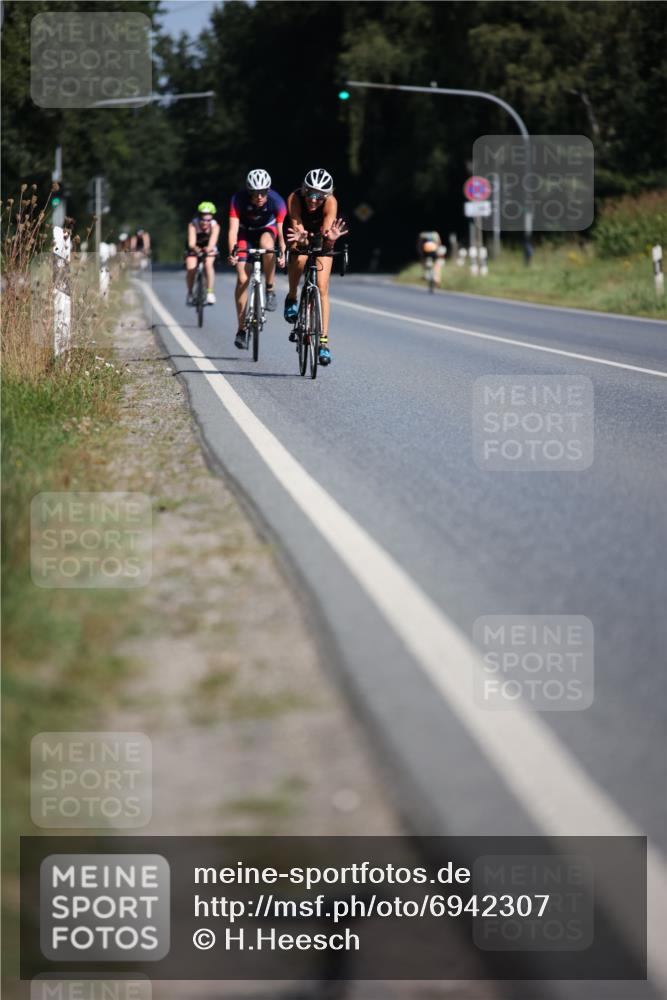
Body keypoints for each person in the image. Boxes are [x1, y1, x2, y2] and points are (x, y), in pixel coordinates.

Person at [283, 168, 348, 366]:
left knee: (322, 286)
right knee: (300, 259)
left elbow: (326, 237)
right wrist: (302, 241)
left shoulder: (331, 202)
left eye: (319, 196)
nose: (313, 200)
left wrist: (331, 240)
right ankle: (292, 296)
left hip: (320, 236)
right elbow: (298, 227)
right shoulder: (295, 198)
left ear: (327, 196)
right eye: (310, 193)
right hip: (298, 233)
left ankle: (324, 343)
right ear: (304, 189)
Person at [227, 169, 287, 349]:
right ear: (248, 192)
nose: (260, 197)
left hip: (267, 230)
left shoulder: (277, 201)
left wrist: (282, 253)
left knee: (267, 244)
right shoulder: (238, 200)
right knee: (242, 279)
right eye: (255, 193)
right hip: (245, 233)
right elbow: (233, 230)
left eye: (263, 192)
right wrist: (232, 253)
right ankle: (241, 330)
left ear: (268, 190)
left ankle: (270, 288)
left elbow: (281, 233)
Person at [185, 202, 220, 306]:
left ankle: (210, 292)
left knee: (208, 264)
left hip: (209, 247)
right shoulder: (193, 225)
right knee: (191, 268)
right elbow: (191, 243)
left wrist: (207, 250)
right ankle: (190, 293)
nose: (205, 222)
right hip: (194, 247)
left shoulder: (215, 226)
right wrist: (197, 250)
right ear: (199, 217)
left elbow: (212, 242)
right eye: (203, 219)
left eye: (208, 220)